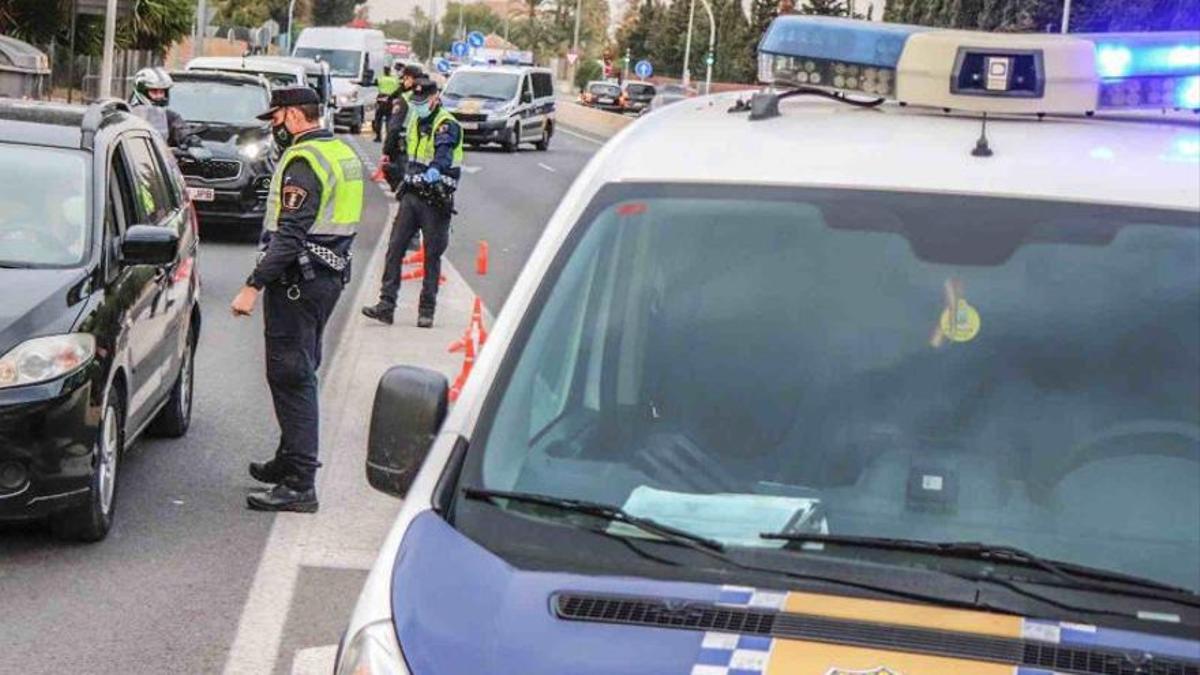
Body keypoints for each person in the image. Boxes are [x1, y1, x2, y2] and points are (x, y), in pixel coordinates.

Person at [230, 86, 363, 513]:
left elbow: (290, 235)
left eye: (275, 118)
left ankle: (300, 483)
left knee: (291, 375)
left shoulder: (305, 161)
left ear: (292, 115)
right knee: (301, 368)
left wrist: (253, 285)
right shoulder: (340, 151)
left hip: (298, 280)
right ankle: (287, 461)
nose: (273, 126)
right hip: (327, 277)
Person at [362, 78, 463, 328]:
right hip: (412, 195)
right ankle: (386, 305)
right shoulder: (416, 119)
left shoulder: (446, 124)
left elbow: (444, 152)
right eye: (414, 101)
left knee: (431, 255)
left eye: (422, 101)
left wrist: (436, 170)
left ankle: (426, 310)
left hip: (436, 198)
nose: (417, 105)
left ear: (434, 98)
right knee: (395, 247)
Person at [380, 64, 423, 190]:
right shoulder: (427, 98)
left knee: (395, 174)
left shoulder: (404, 98)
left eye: (404, 78)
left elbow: (394, 128)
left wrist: (386, 150)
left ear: (410, 79)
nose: (403, 81)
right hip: (422, 147)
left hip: (404, 145)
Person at [129, 67, 188, 148]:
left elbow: (181, 130)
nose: (159, 96)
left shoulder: (170, 116)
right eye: (154, 91)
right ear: (142, 91)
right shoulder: (128, 115)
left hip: (162, 158)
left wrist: (191, 141)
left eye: (162, 92)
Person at [372, 65, 401, 142]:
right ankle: (388, 137)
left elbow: (372, 83)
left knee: (378, 119)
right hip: (390, 100)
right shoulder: (395, 79)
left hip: (381, 99)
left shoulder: (380, 78)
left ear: (384, 71)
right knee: (389, 119)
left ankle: (378, 137)